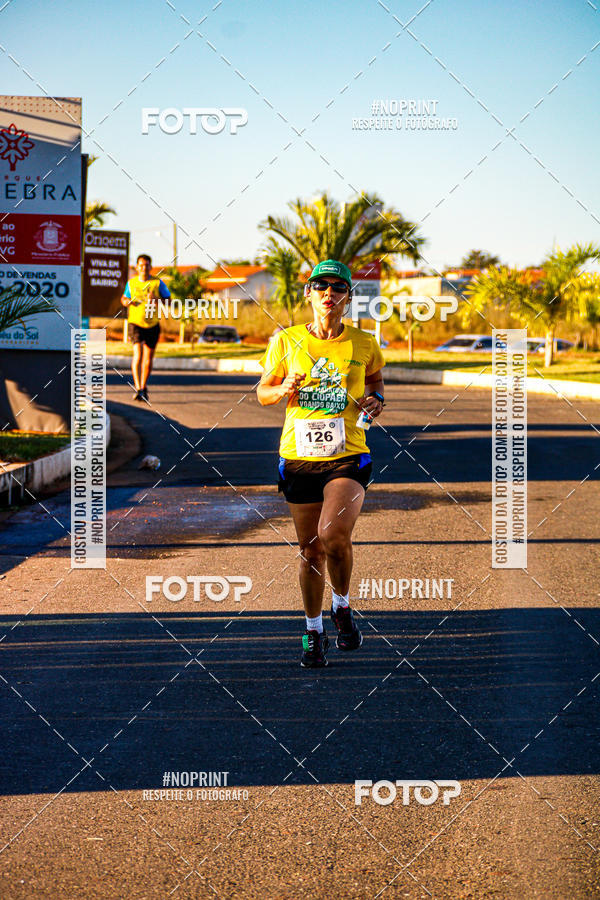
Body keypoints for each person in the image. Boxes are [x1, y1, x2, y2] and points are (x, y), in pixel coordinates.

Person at [257, 259, 385, 668]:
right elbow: (262, 392)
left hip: (348, 454)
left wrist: (376, 400)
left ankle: (342, 605)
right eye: (321, 286)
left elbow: (377, 380)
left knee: (332, 534)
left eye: (338, 287)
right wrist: (282, 389)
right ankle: (314, 631)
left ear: (347, 297)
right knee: (310, 551)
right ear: (309, 294)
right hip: (298, 457)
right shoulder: (286, 341)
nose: (329, 293)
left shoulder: (364, 342)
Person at [121, 254, 170, 402]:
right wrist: (127, 301)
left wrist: (157, 299)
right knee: (138, 354)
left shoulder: (158, 283)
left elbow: (169, 301)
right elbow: (123, 299)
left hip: (152, 324)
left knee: (148, 358)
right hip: (135, 322)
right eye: (141, 265)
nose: (144, 267)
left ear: (151, 266)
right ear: (136, 267)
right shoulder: (131, 283)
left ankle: (143, 386)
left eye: (147, 265)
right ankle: (138, 387)